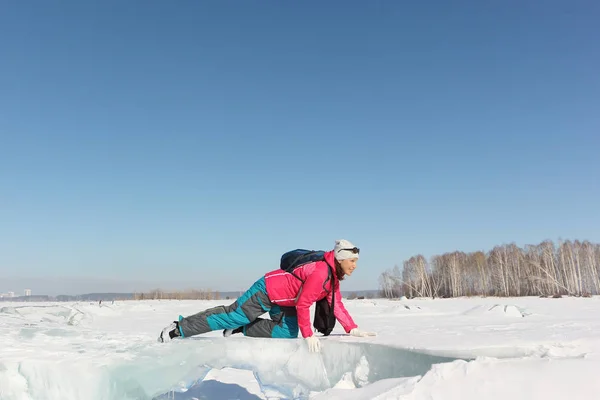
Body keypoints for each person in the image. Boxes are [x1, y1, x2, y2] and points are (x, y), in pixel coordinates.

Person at [157, 239, 376, 352]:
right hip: (268, 290)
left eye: (356, 261)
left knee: (287, 332)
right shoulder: (321, 272)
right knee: (234, 315)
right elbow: (304, 304)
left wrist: (352, 329)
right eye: (352, 261)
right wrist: (308, 334)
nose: (355, 266)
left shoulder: (333, 278)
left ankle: (240, 329)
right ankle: (179, 327)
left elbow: (336, 304)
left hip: (285, 301)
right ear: (340, 259)